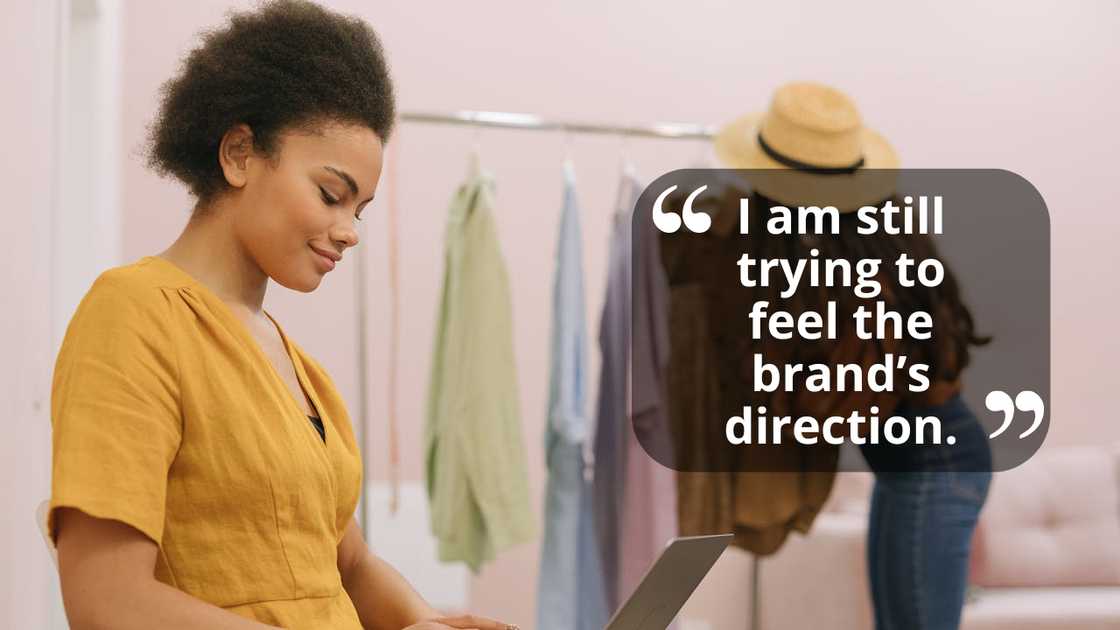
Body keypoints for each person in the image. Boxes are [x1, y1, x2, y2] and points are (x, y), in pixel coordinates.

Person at [48, 2, 518, 630]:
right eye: (331, 194)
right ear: (240, 154)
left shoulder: (299, 371)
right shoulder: (134, 317)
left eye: (361, 209)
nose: (350, 232)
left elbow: (346, 565)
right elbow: (106, 600)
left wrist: (426, 622)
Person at [679, 81, 992, 629]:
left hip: (937, 467)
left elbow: (849, 403)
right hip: (916, 468)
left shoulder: (861, 284)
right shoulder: (864, 244)